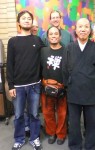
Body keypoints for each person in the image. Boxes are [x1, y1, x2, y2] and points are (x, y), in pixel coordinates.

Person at [63, 18, 95, 150]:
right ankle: (75, 146)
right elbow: (64, 69)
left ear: (89, 30)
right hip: (74, 91)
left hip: (90, 91)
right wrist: (68, 85)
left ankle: (90, 146)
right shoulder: (69, 48)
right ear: (75, 29)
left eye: (86, 27)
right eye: (80, 26)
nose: (83, 29)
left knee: (92, 122)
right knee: (74, 123)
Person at [6, 10, 44, 150]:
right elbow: (9, 65)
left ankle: (34, 138)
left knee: (34, 114)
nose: (27, 20)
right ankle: (19, 138)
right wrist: (11, 85)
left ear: (32, 22)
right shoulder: (13, 41)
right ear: (19, 23)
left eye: (29, 18)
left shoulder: (37, 40)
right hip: (18, 86)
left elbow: (44, 59)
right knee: (18, 115)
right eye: (24, 18)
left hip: (35, 85)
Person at [41, 26, 67, 145]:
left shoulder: (66, 51)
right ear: (47, 37)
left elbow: (69, 69)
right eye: (51, 34)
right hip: (46, 87)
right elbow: (39, 67)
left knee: (62, 113)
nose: (53, 36)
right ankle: (51, 132)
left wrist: (65, 85)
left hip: (61, 88)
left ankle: (61, 134)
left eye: (56, 34)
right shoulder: (43, 51)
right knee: (47, 112)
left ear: (60, 36)